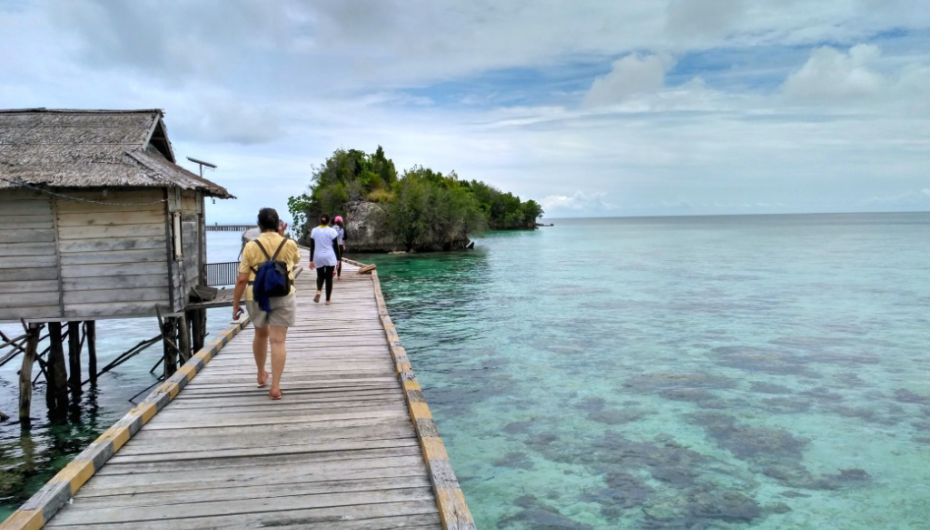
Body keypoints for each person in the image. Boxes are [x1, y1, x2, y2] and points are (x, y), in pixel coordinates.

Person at [232, 208, 299, 400]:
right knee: (278, 340)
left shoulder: (251, 246)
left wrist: (236, 304)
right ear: (278, 224)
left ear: (259, 225)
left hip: (256, 294)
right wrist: (282, 237)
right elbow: (294, 261)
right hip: (284, 294)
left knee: (260, 334)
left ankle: (261, 374)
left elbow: (242, 279)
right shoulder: (289, 244)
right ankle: (276, 387)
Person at [309, 214, 341, 304]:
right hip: (329, 257)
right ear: (328, 221)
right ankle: (327, 300)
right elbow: (335, 247)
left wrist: (311, 260)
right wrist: (338, 259)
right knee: (329, 278)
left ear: (320, 221)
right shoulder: (332, 231)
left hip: (318, 257)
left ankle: (318, 291)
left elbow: (312, 246)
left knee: (320, 276)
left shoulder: (314, 231)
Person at [333, 215, 347, 279]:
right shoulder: (343, 228)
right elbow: (345, 238)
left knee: (332, 259)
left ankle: (332, 272)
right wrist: (344, 245)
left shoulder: (332, 228)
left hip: (333, 245)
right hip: (340, 245)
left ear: (335, 221)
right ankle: (338, 276)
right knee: (339, 260)